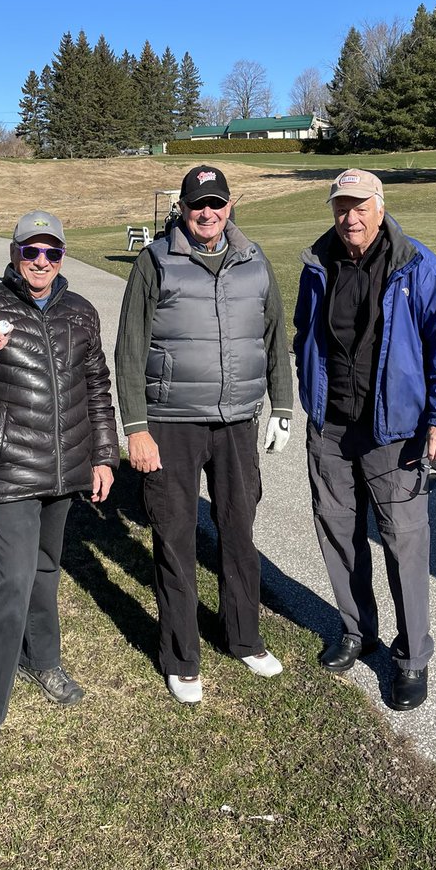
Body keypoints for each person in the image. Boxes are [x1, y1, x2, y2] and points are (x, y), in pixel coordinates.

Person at [0, 209, 119, 765]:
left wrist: (104, 456)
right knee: (8, 581)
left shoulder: (80, 312)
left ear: (62, 256)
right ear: (13, 254)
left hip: (68, 468)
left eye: (51, 253)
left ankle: (44, 661)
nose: (41, 262)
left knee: (45, 570)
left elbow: (97, 388)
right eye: (31, 252)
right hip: (9, 469)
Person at [115, 164, 293, 705]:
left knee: (239, 533)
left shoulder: (254, 261)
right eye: (197, 204)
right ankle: (181, 656)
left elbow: (274, 336)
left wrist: (281, 405)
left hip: (236, 421)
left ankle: (243, 637)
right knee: (176, 538)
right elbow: (128, 349)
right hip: (172, 422)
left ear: (230, 205)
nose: (207, 213)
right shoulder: (154, 262)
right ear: (183, 209)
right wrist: (137, 429)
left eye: (216, 203)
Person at [293, 170, 436, 711]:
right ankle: (356, 630)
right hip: (333, 427)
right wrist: (308, 392)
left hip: (396, 433)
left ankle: (412, 655)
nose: (350, 217)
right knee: (338, 531)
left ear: (379, 206)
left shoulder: (417, 265)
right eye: (341, 207)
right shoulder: (317, 264)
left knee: (403, 543)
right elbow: (304, 332)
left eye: (359, 206)